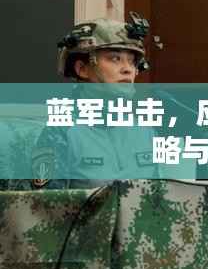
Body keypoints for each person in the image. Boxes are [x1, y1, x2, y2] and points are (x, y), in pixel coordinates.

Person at [29, 11, 160, 189]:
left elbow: (158, 198)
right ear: (82, 69)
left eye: (132, 61)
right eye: (115, 58)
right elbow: (46, 204)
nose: (128, 69)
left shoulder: (145, 132)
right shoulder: (61, 132)